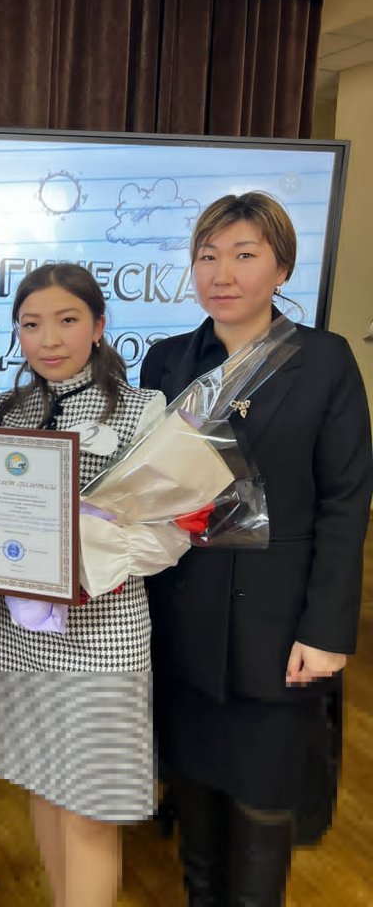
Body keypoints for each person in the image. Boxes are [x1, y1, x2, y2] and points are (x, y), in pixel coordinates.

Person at [139, 191, 373, 906]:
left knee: (263, 805)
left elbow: (345, 503)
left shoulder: (323, 361)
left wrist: (327, 631)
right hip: (185, 618)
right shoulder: (168, 362)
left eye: (244, 255)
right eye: (207, 256)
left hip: (278, 629)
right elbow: (146, 490)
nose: (222, 273)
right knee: (196, 800)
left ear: (282, 268)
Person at [0, 263, 179, 907]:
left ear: (99, 326)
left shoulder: (141, 410)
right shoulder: (5, 410)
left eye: (67, 320)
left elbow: (171, 532)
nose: (48, 339)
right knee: (43, 783)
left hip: (102, 635)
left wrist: (84, 563)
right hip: (16, 633)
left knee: (91, 808)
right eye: (31, 324)